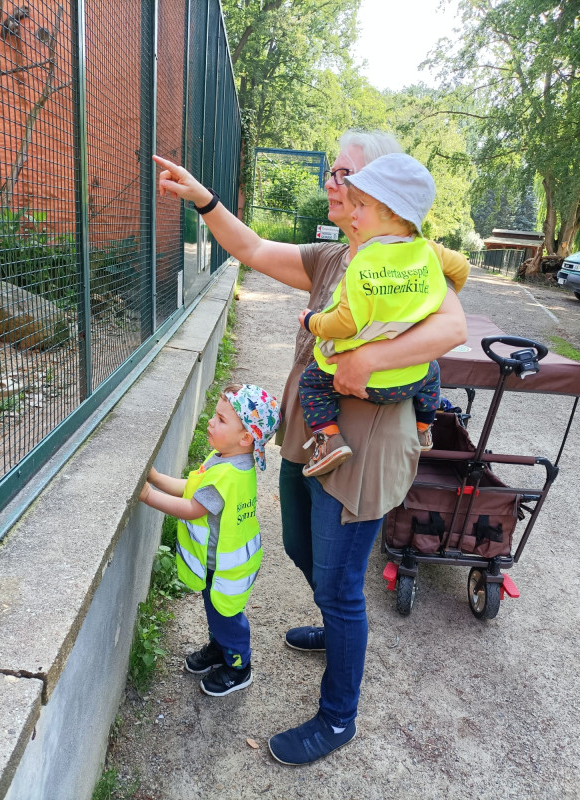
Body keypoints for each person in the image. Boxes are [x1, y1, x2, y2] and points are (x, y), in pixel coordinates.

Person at [152, 129, 469, 764]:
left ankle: (337, 717)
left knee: (341, 583)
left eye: (344, 173)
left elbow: (453, 324)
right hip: (306, 438)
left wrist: (372, 357)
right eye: (331, 169)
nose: (332, 181)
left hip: (363, 453)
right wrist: (204, 199)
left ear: (375, 191)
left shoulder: (409, 261)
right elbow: (252, 247)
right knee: (301, 545)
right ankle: (332, 619)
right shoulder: (332, 259)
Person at [297, 152, 445, 478]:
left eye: (361, 206)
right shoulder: (426, 253)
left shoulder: (364, 261)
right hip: (411, 380)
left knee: (310, 385)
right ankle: (423, 427)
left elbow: (344, 324)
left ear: (391, 212)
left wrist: (312, 321)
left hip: (364, 382)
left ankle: (330, 441)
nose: (354, 212)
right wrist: (455, 283)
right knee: (433, 369)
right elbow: (458, 269)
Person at [139, 383, 280, 697]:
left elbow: (191, 508)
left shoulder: (228, 474)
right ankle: (220, 648)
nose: (210, 422)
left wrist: (149, 495)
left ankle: (239, 666)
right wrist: (158, 478)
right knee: (217, 611)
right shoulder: (225, 458)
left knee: (227, 615)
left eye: (220, 419)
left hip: (227, 567)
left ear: (246, 438)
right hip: (221, 562)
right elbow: (193, 488)